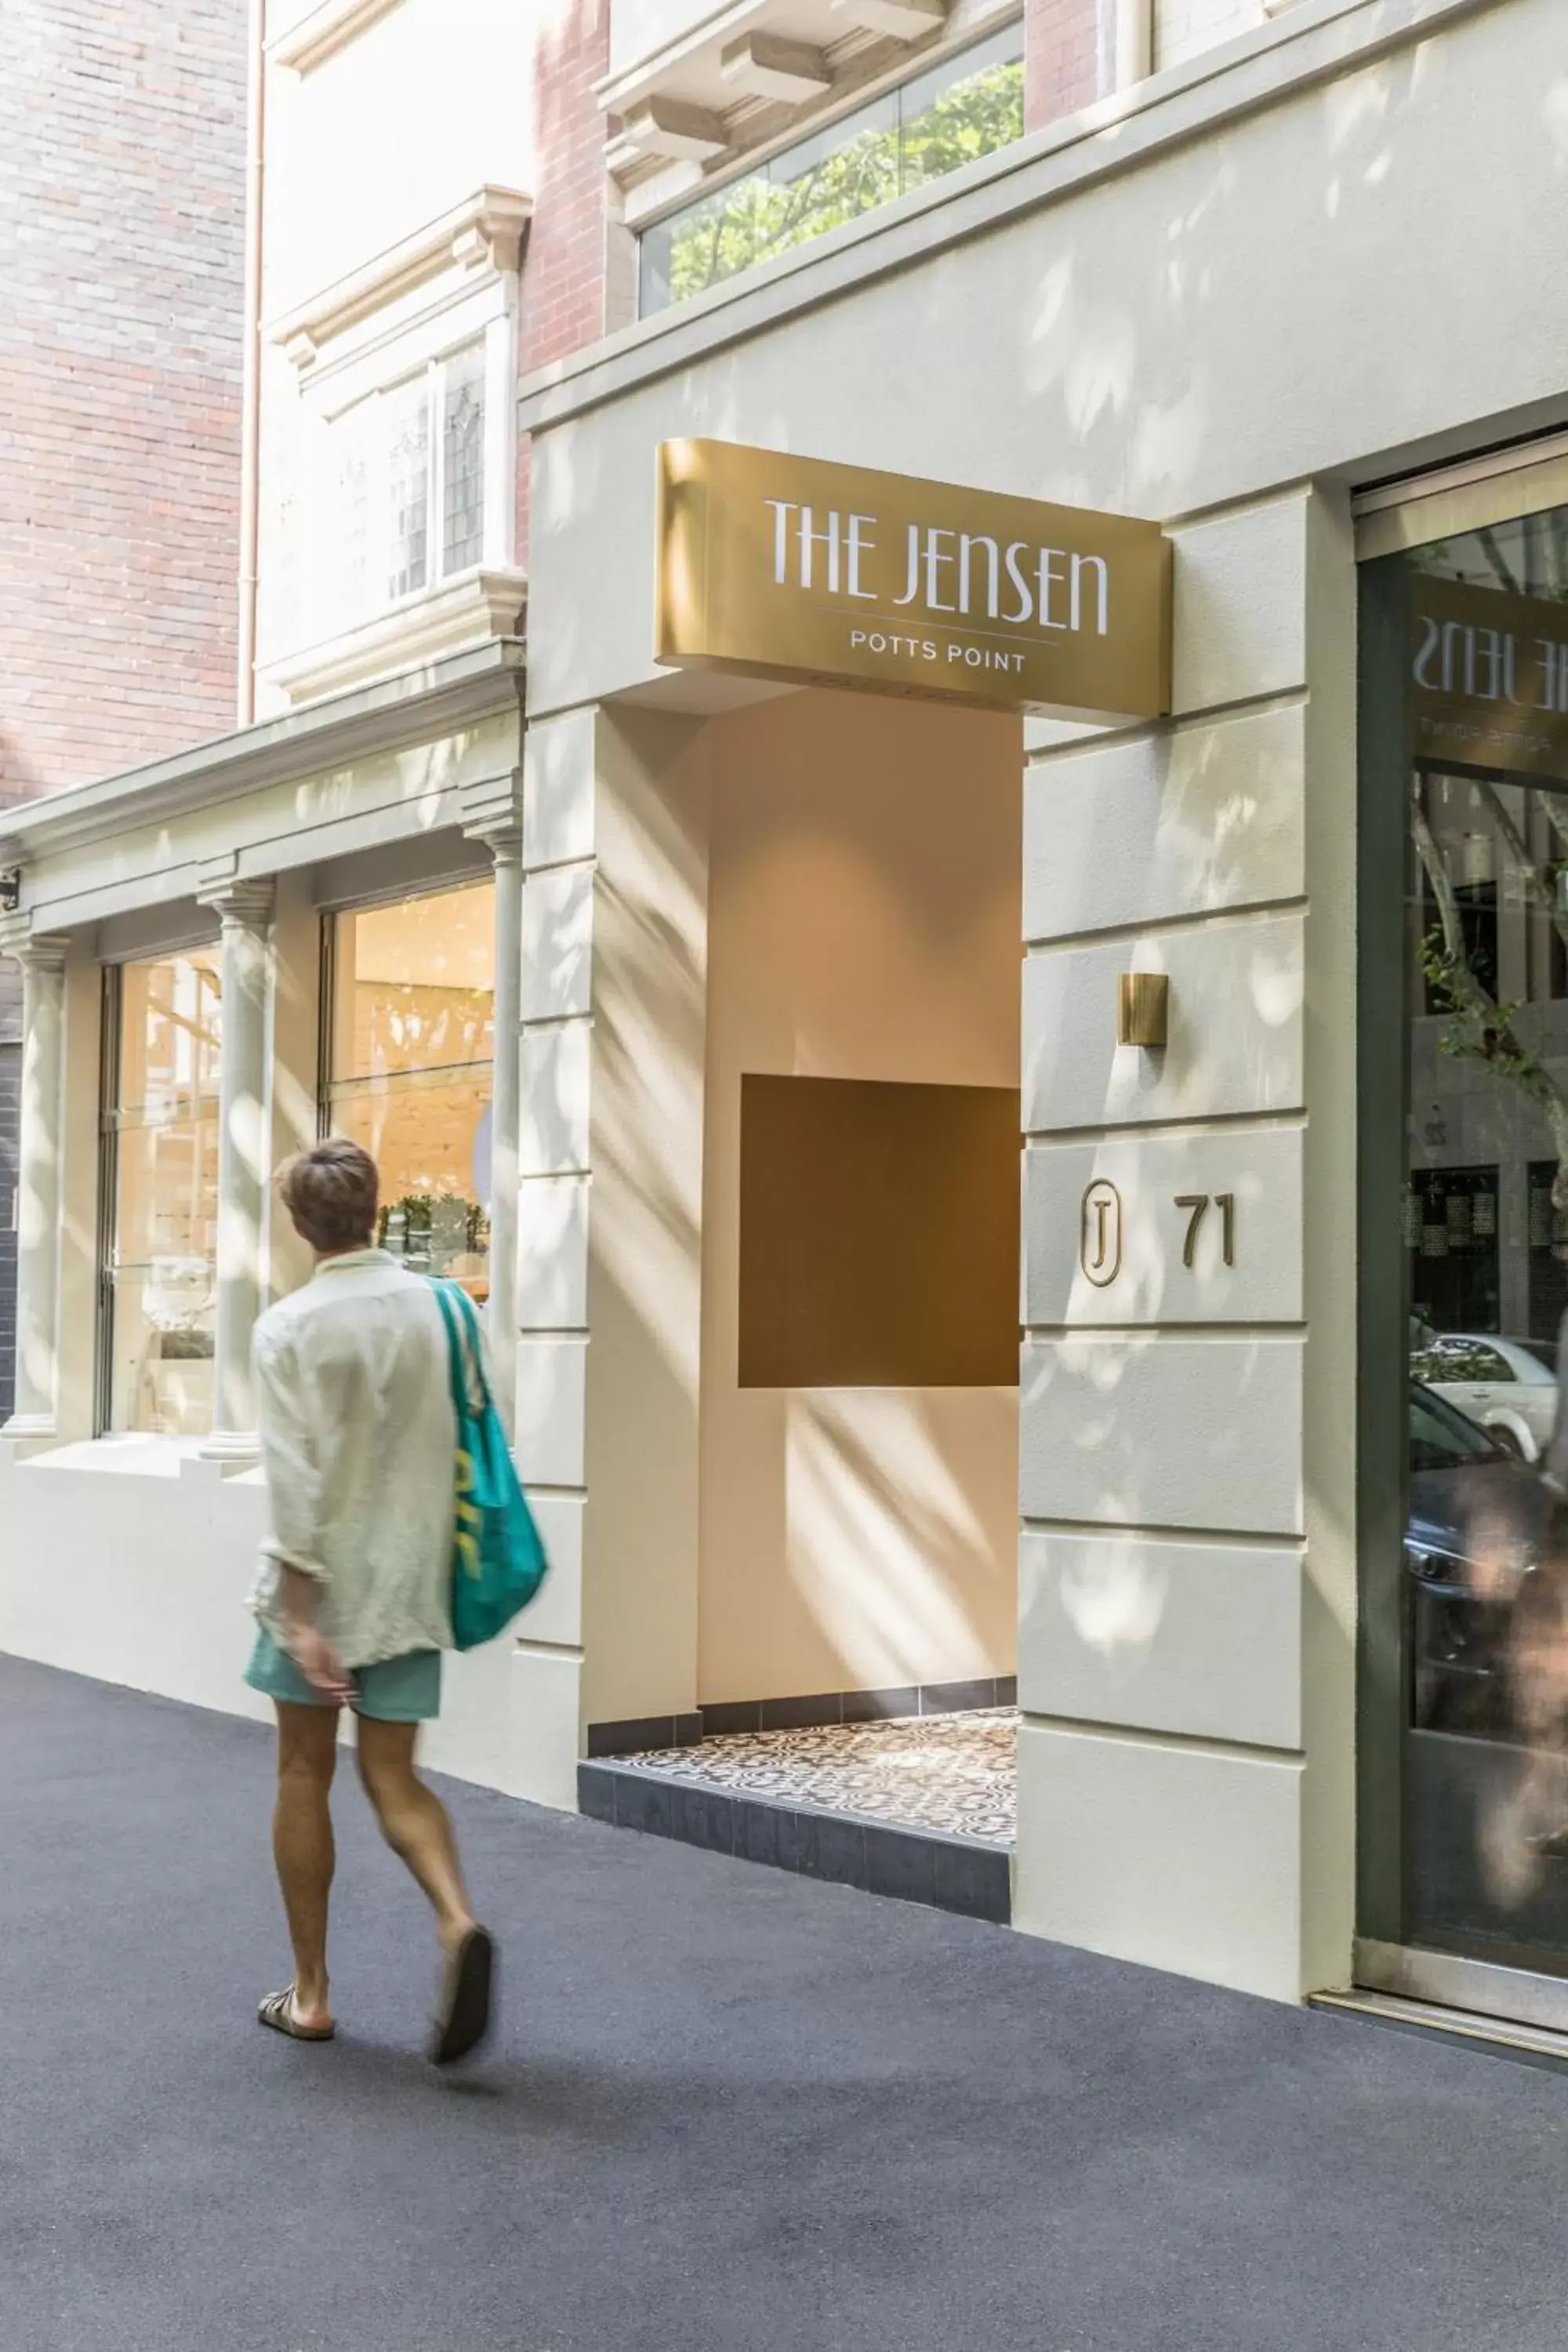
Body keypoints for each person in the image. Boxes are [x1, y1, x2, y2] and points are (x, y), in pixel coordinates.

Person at [243, 1137, 494, 2064]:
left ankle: (310, 1994)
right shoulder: (443, 1308)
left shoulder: (289, 1327)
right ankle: (456, 1919)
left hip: (321, 1585)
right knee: (393, 1776)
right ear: (377, 1210)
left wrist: (304, 1619)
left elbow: (295, 1483)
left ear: (301, 1225)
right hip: (411, 1579)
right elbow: (473, 1405)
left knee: (302, 1773)